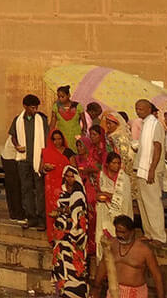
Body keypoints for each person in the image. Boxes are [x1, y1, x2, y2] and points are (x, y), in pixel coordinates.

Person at [8, 95, 50, 230]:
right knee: (26, 190)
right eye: (33, 107)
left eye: (36, 107)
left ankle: (42, 219)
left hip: (37, 158)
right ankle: (31, 217)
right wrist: (17, 145)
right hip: (23, 159)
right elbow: (13, 136)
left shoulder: (41, 119)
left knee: (39, 191)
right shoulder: (18, 120)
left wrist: (43, 160)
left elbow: (46, 140)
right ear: (25, 107)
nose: (35, 110)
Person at [99, 214, 164, 298]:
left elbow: (157, 276)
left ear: (132, 232)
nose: (119, 235)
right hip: (113, 291)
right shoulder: (111, 245)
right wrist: (96, 286)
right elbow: (103, 265)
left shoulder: (144, 250)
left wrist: (161, 296)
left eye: (123, 232)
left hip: (136, 293)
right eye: (117, 231)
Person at [50, 165, 90, 298]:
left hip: (74, 236)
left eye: (72, 176)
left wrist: (66, 220)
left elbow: (78, 216)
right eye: (67, 176)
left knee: (74, 267)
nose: (69, 179)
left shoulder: (79, 194)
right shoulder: (61, 192)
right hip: (61, 238)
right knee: (61, 266)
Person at [131, 99, 167, 243]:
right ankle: (148, 233)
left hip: (150, 170)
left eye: (140, 109)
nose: (138, 111)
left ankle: (159, 235)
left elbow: (157, 147)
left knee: (153, 203)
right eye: (136, 108)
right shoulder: (145, 124)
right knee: (142, 202)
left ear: (148, 109)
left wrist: (151, 169)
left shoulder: (155, 125)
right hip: (141, 169)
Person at [95, 152, 133, 255]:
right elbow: (97, 191)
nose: (116, 166)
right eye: (114, 163)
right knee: (103, 236)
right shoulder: (101, 175)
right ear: (107, 164)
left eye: (118, 163)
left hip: (118, 211)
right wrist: (99, 196)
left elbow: (124, 197)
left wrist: (108, 195)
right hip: (103, 209)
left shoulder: (124, 178)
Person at [41, 128, 73, 243]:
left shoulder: (68, 152)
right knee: (52, 210)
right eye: (54, 139)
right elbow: (41, 169)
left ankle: (65, 236)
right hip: (51, 187)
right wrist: (45, 168)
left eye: (59, 139)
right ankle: (52, 236)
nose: (57, 142)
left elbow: (73, 169)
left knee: (63, 210)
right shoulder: (46, 152)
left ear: (63, 139)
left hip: (64, 186)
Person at [52, 86, 83, 150]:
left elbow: (84, 123)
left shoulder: (77, 106)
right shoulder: (56, 107)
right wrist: (50, 136)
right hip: (62, 137)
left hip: (75, 136)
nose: (60, 99)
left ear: (68, 95)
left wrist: (82, 136)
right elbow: (52, 123)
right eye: (58, 97)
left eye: (62, 97)